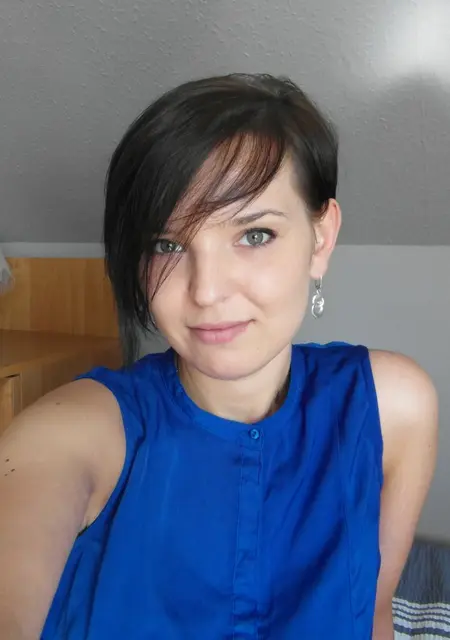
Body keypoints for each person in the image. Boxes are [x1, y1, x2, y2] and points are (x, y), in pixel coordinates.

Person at [0, 73, 438, 640]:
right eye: (167, 245)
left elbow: (374, 613)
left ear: (321, 237)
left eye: (254, 235)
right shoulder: (80, 431)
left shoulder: (391, 407)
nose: (206, 291)